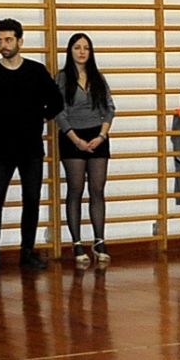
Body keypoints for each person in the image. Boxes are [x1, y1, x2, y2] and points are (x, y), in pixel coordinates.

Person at [0, 18, 62, 272]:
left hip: (31, 148)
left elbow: (56, 102)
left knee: (31, 199)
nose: (4, 45)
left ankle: (27, 251)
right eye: (0, 40)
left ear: (20, 41)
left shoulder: (36, 72)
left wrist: (39, 118)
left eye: (8, 39)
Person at [57, 32, 116, 266]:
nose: (82, 52)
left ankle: (99, 241)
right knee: (76, 189)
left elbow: (109, 109)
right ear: (70, 51)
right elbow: (59, 113)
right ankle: (77, 243)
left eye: (86, 48)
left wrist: (102, 135)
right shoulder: (62, 78)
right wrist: (76, 139)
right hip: (72, 137)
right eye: (77, 47)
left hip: (97, 137)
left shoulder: (98, 78)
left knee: (97, 189)